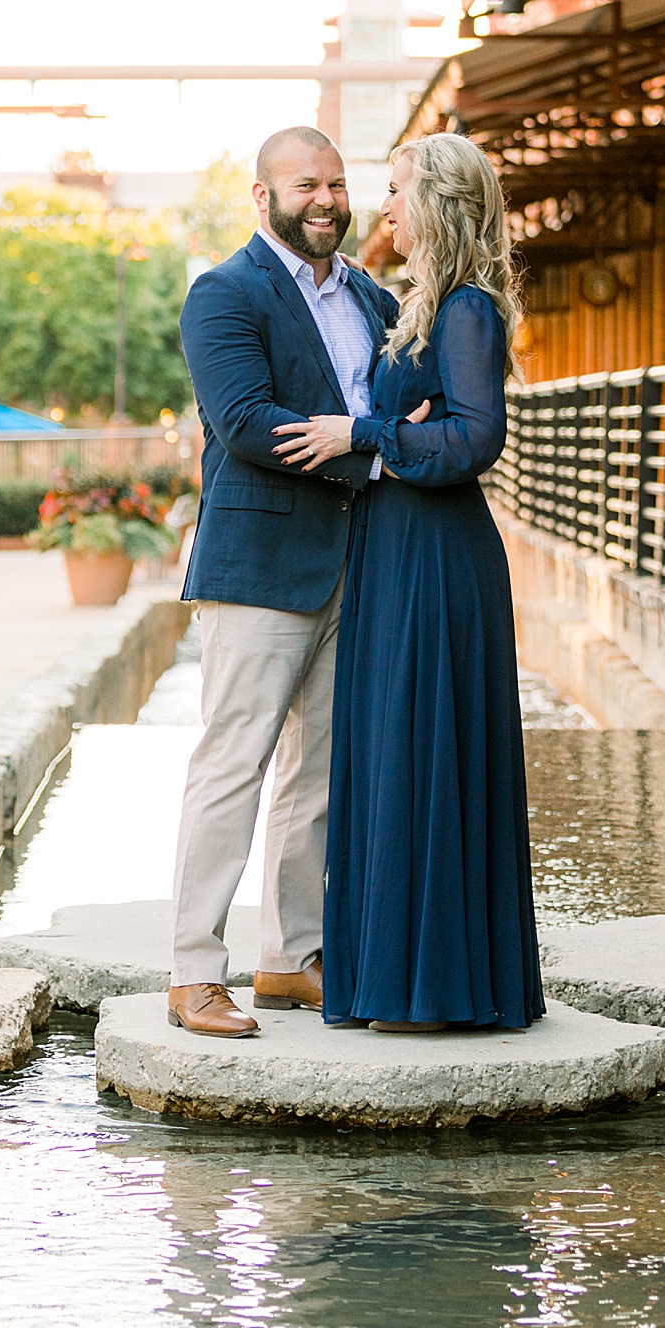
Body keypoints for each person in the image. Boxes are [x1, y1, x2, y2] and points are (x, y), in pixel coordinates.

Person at [272, 133, 543, 1033]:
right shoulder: (417, 303)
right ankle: (397, 978)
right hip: (395, 549)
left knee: (424, 753)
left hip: (436, 558)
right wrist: (396, 426)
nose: (382, 206)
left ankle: (435, 988)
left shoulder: (467, 308)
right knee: (394, 751)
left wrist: (368, 433)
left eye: (395, 190)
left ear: (435, 203)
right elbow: (428, 427)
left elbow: (474, 439)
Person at [168, 127, 399, 1038]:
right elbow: (245, 420)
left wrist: (385, 435)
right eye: (306, 185)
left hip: (359, 561)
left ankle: (291, 957)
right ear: (263, 197)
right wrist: (374, 452)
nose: (326, 201)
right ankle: (194, 972)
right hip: (259, 566)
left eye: (336, 184)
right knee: (233, 766)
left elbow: (401, 403)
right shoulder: (224, 293)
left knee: (320, 773)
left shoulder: (372, 296)